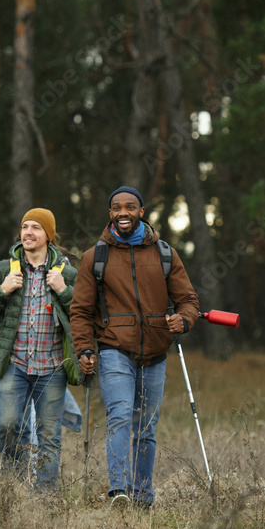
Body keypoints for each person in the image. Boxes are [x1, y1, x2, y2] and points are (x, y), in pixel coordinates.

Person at [70, 186, 199, 510]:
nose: (123, 212)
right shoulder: (94, 257)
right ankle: (120, 492)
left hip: (156, 353)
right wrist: (85, 349)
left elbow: (188, 300)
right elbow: (81, 311)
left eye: (130, 207)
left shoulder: (164, 253)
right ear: (110, 213)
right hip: (114, 349)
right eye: (117, 208)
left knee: (146, 428)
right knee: (120, 416)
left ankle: (142, 497)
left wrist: (184, 320)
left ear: (141, 212)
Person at [0, 208, 80, 491]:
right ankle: (15, 489)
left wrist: (64, 291)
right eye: (24, 226)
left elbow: (84, 317)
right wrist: (2, 290)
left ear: (48, 235)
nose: (28, 232)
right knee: (7, 425)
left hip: (52, 367)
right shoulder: (3, 270)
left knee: (49, 436)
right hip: (13, 364)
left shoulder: (67, 273)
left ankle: (44, 497)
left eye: (36, 227)